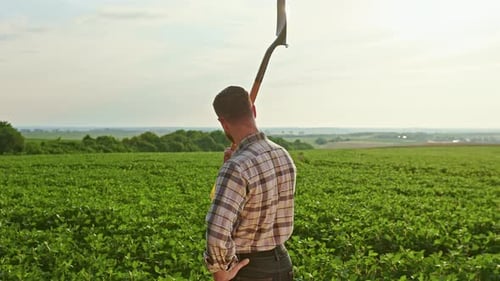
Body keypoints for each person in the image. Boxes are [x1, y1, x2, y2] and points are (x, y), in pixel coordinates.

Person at [204, 86, 296, 281]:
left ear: (223, 123)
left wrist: (220, 273)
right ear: (253, 110)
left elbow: (217, 233)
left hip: (248, 270)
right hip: (282, 264)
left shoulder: (236, 168)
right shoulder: (283, 154)